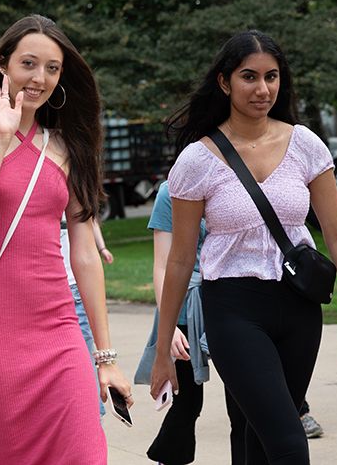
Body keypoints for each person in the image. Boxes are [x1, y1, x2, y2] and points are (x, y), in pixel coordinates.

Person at [151, 30, 337, 465]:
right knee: (290, 444)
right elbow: (179, 260)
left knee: (258, 438)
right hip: (233, 308)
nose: (263, 89)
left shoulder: (305, 144)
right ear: (224, 82)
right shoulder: (197, 160)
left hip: (299, 308)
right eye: (249, 77)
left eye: (271, 77)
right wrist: (163, 350)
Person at [0, 14, 132, 464]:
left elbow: (85, 254)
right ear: (3, 64)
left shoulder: (70, 145)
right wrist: (1, 138)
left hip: (57, 326)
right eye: (29, 63)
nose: (39, 78)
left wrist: (105, 357)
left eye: (52, 68)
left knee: (85, 453)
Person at [135, 181, 211, 465]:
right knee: (187, 402)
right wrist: (170, 326)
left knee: (244, 403)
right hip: (183, 306)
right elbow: (163, 265)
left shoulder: (235, 181)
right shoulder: (172, 191)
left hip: (230, 304)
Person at [61, 213, 113, 419]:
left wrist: (102, 248)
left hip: (74, 290)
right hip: (39, 295)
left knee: (84, 366)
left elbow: (89, 223)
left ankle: (92, 419)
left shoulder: (73, 185)